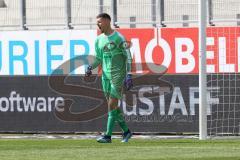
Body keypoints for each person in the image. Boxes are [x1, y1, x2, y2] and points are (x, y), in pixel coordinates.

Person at [85, 13, 133, 143]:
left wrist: (129, 74)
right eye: (97, 22)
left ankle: (108, 136)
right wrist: (90, 67)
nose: (98, 24)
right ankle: (127, 131)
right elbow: (99, 58)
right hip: (105, 76)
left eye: (100, 22)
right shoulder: (98, 39)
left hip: (118, 75)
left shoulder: (119, 38)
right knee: (113, 107)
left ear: (107, 21)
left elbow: (128, 56)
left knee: (111, 105)